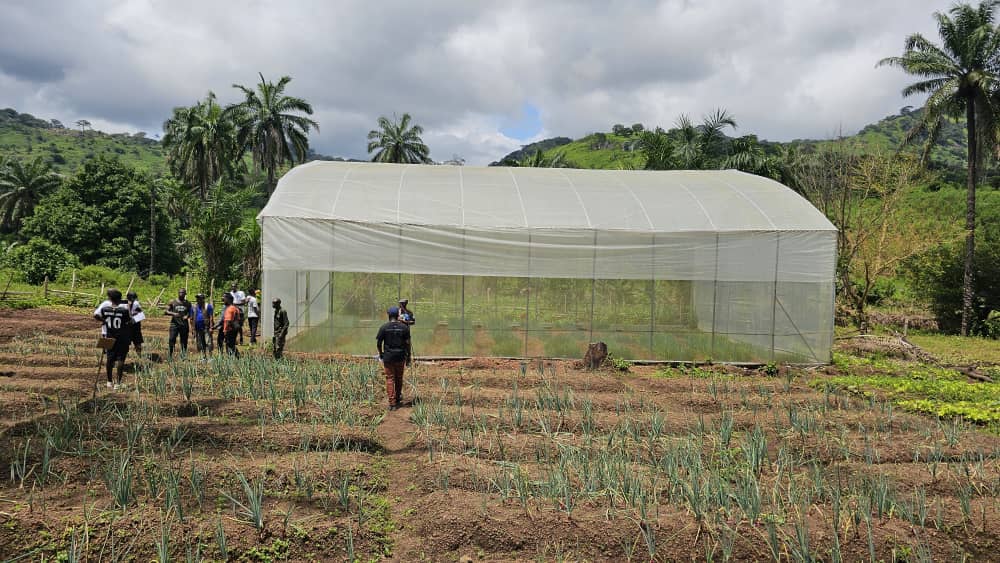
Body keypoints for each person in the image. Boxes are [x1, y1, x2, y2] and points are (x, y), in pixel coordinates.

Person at [93, 288, 132, 389]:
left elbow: (96, 315)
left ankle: (109, 382)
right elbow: (129, 321)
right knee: (121, 359)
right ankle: (118, 383)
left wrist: (104, 321)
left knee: (109, 359)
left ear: (110, 299)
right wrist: (128, 307)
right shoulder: (124, 311)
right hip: (121, 338)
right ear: (120, 299)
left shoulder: (105, 309)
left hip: (108, 336)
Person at [376, 306, 411, 410]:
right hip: (400, 356)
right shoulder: (404, 328)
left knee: (390, 378)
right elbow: (407, 343)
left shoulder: (384, 327)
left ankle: (392, 403)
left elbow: (379, 343)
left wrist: (381, 353)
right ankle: (398, 397)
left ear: (389, 315)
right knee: (399, 378)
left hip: (388, 357)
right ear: (398, 315)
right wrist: (408, 356)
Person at [165, 288, 192, 359]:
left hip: (184, 325)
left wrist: (187, 316)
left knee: (184, 341)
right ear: (178, 293)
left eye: (182, 293)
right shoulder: (172, 302)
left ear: (185, 294)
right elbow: (166, 311)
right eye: (180, 292)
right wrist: (173, 314)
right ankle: (170, 355)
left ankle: (183, 356)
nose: (181, 294)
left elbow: (190, 313)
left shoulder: (188, 303)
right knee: (171, 339)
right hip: (174, 324)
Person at [190, 293, 214, 361]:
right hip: (198, 328)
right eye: (197, 298)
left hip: (206, 327)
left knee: (208, 342)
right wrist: (193, 329)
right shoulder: (194, 307)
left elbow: (211, 318)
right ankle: (203, 357)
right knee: (200, 343)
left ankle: (210, 357)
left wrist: (211, 327)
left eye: (199, 298)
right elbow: (191, 319)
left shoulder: (208, 306)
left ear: (203, 299)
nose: (198, 299)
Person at [221, 292, 241, 358]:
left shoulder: (229, 309)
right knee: (231, 344)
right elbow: (238, 319)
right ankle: (236, 357)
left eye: (224, 298)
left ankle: (234, 358)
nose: (223, 300)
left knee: (229, 345)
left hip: (230, 330)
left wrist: (225, 330)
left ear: (228, 299)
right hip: (235, 329)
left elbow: (228, 321)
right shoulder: (235, 308)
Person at [126, 291, 144, 356]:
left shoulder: (136, 304)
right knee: (126, 342)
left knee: (137, 342)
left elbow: (141, 314)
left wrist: (132, 319)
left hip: (135, 325)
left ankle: (139, 355)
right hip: (128, 326)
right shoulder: (125, 304)